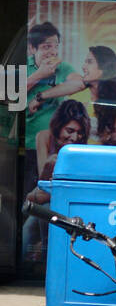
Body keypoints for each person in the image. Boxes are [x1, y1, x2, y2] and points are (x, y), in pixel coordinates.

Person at [21, 100, 91, 265]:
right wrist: (48, 166)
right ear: (58, 125)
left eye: (79, 133)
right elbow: (43, 185)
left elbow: (51, 193)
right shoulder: (44, 137)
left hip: (64, 204)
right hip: (45, 197)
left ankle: (48, 265)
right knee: (34, 218)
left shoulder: (79, 149)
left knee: (41, 215)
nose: (74, 137)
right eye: (70, 130)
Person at [33, 45, 116, 145]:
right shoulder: (77, 94)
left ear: (104, 68)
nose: (83, 67)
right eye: (85, 62)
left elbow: (115, 140)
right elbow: (61, 132)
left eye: (89, 62)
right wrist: (39, 98)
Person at [24, 23, 77, 196]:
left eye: (55, 46)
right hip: (24, 146)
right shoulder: (23, 67)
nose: (53, 52)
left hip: (53, 147)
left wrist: (42, 96)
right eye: (47, 47)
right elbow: (8, 95)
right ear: (33, 48)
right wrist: (39, 75)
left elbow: (79, 83)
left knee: (47, 198)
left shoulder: (63, 68)